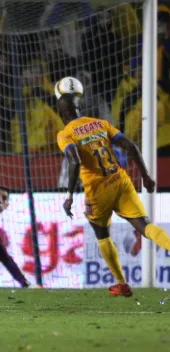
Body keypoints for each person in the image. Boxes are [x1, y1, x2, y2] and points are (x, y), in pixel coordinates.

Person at [57, 93, 170, 297]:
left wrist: (70, 195)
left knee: (102, 234)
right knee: (144, 226)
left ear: (61, 113)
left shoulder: (65, 134)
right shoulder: (100, 124)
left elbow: (74, 161)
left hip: (97, 190)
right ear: (78, 108)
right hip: (120, 181)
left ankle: (122, 284)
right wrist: (145, 176)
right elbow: (130, 147)